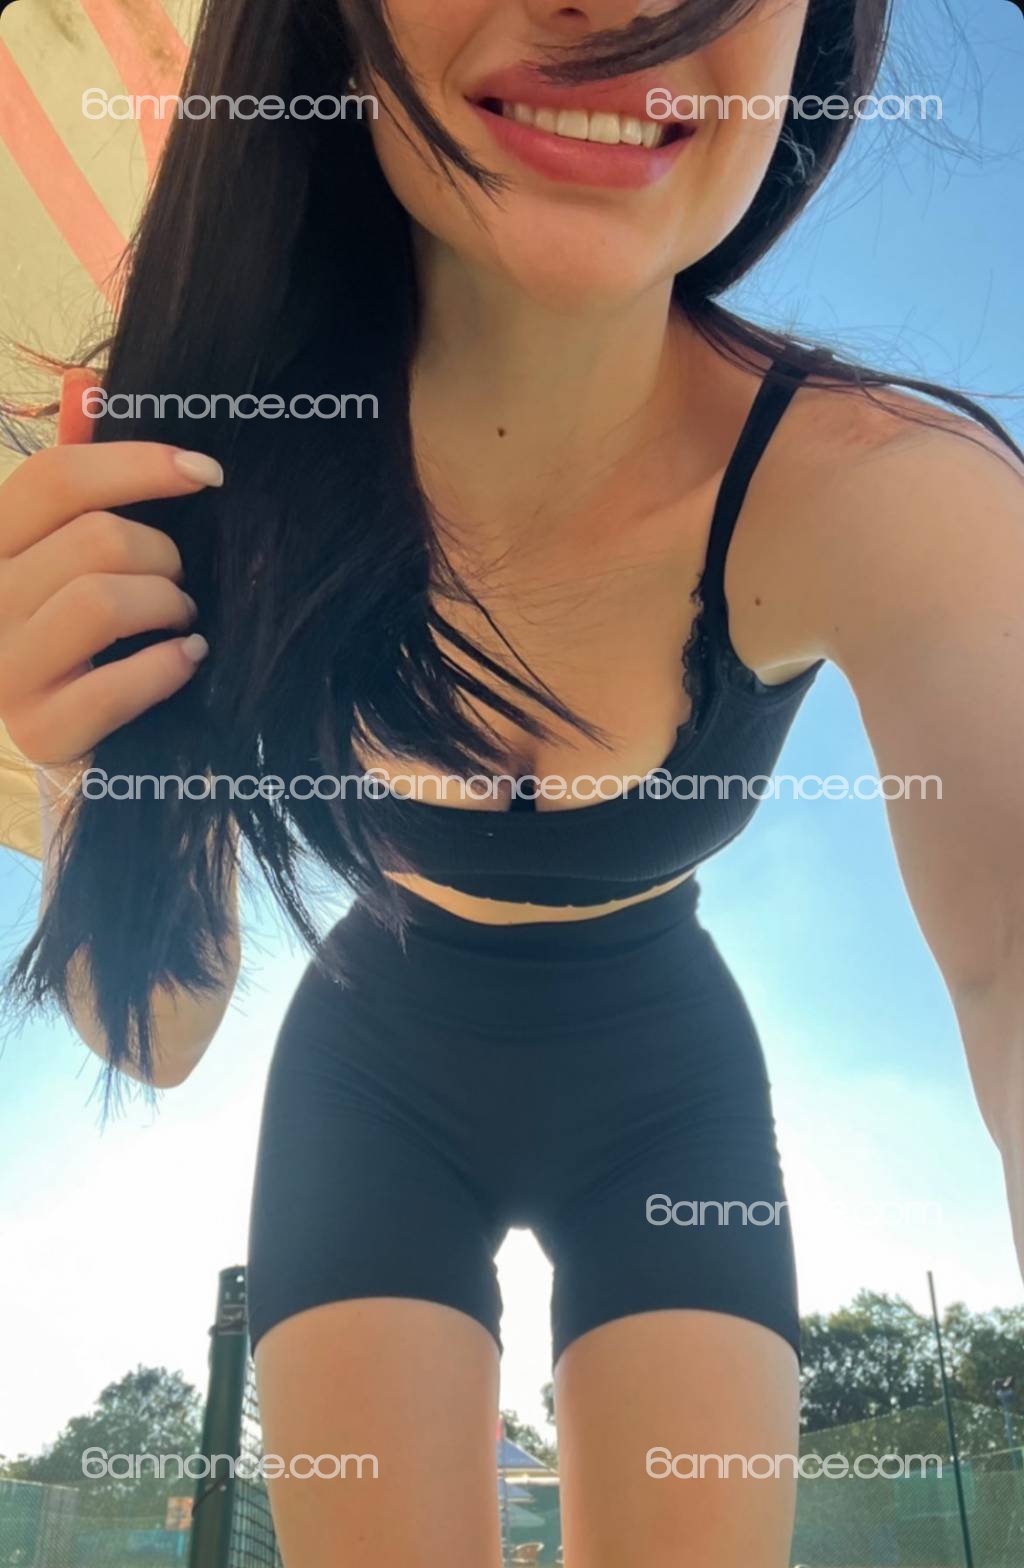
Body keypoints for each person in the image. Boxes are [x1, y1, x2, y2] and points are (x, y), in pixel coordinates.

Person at [1, 2, 1022, 1565]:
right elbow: (157, 1032)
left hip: (671, 1095)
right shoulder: (219, 471)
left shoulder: (894, 497)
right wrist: (87, 753)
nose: (615, 8)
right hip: (371, 1084)